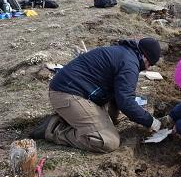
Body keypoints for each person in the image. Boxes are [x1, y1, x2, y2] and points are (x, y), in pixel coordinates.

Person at [30, 38, 163, 153]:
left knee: (111, 121)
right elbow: (126, 102)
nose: (148, 68)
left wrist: (115, 117)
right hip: (67, 94)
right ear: (144, 56)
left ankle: (73, 118)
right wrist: (150, 121)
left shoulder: (125, 53)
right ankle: (54, 129)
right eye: (149, 64)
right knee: (109, 141)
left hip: (76, 90)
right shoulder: (130, 64)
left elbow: (118, 95)